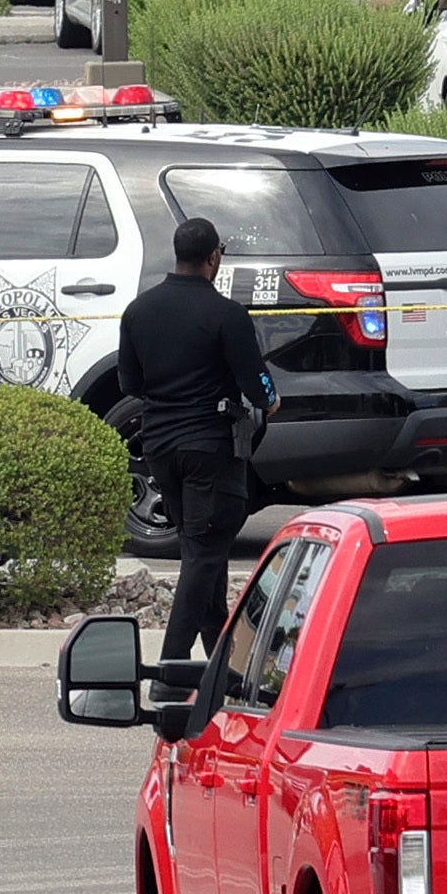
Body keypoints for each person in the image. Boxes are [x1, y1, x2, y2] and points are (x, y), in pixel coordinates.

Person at [116, 214, 272, 661]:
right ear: (213, 257)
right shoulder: (227, 314)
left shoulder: (139, 310)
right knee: (203, 557)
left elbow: (130, 383)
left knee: (205, 553)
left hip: (160, 448)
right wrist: (271, 400)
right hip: (209, 448)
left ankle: (224, 666)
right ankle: (172, 668)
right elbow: (257, 386)